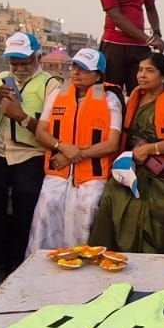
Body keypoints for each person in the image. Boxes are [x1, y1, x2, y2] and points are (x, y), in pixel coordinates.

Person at [89, 51, 164, 254]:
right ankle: (109, 256)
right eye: (140, 70)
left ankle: (155, 263)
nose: (142, 75)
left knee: (159, 208)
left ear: (163, 76)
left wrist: (151, 149)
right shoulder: (136, 97)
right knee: (111, 194)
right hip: (133, 166)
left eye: (149, 71)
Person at [0, 31, 60, 282]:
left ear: (37, 58)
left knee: (27, 197)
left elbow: (51, 128)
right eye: (15, 63)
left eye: (25, 62)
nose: (20, 68)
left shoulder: (50, 85)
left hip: (30, 151)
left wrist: (19, 114)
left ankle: (19, 260)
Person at [30, 47, 124, 251]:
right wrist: (62, 147)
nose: (76, 72)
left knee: (86, 214)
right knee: (46, 212)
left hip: (91, 177)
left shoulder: (110, 100)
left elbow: (112, 143)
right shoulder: (57, 94)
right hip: (58, 172)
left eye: (83, 69)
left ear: (98, 75)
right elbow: (41, 131)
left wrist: (75, 155)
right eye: (74, 67)